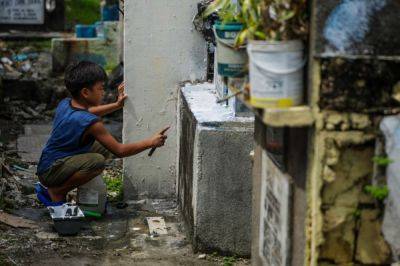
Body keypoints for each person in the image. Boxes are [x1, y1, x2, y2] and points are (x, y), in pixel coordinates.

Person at [36, 61, 168, 204]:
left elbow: (88, 111)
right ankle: (57, 191)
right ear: (86, 92)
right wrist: (151, 142)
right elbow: (120, 150)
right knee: (96, 162)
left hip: (46, 164)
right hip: (51, 172)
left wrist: (117, 105)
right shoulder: (92, 124)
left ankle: (57, 185)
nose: (103, 92)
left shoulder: (66, 103)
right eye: (100, 89)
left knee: (100, 148)